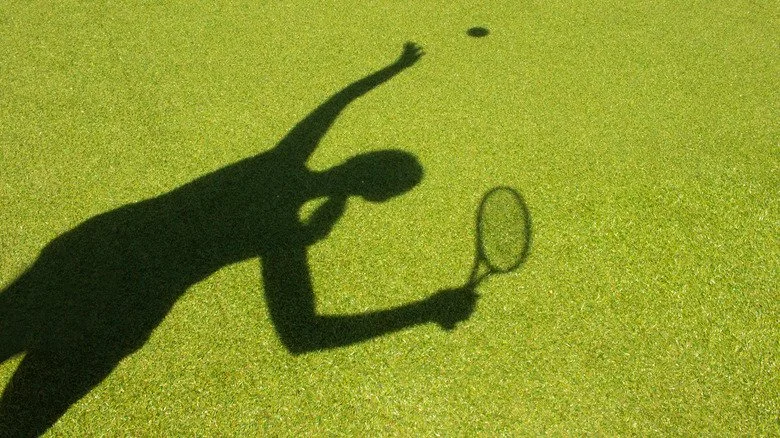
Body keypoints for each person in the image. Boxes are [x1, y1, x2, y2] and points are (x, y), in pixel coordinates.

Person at [0, 42, 476, 436]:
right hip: (124, 307)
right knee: (16, 423)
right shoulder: (284, 234)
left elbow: (338, 102)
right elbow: (302, 334)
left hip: (93, 253)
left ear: (361, 158)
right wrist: (426, 310)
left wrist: (390, 68)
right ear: (377, 199)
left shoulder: (282, 165)